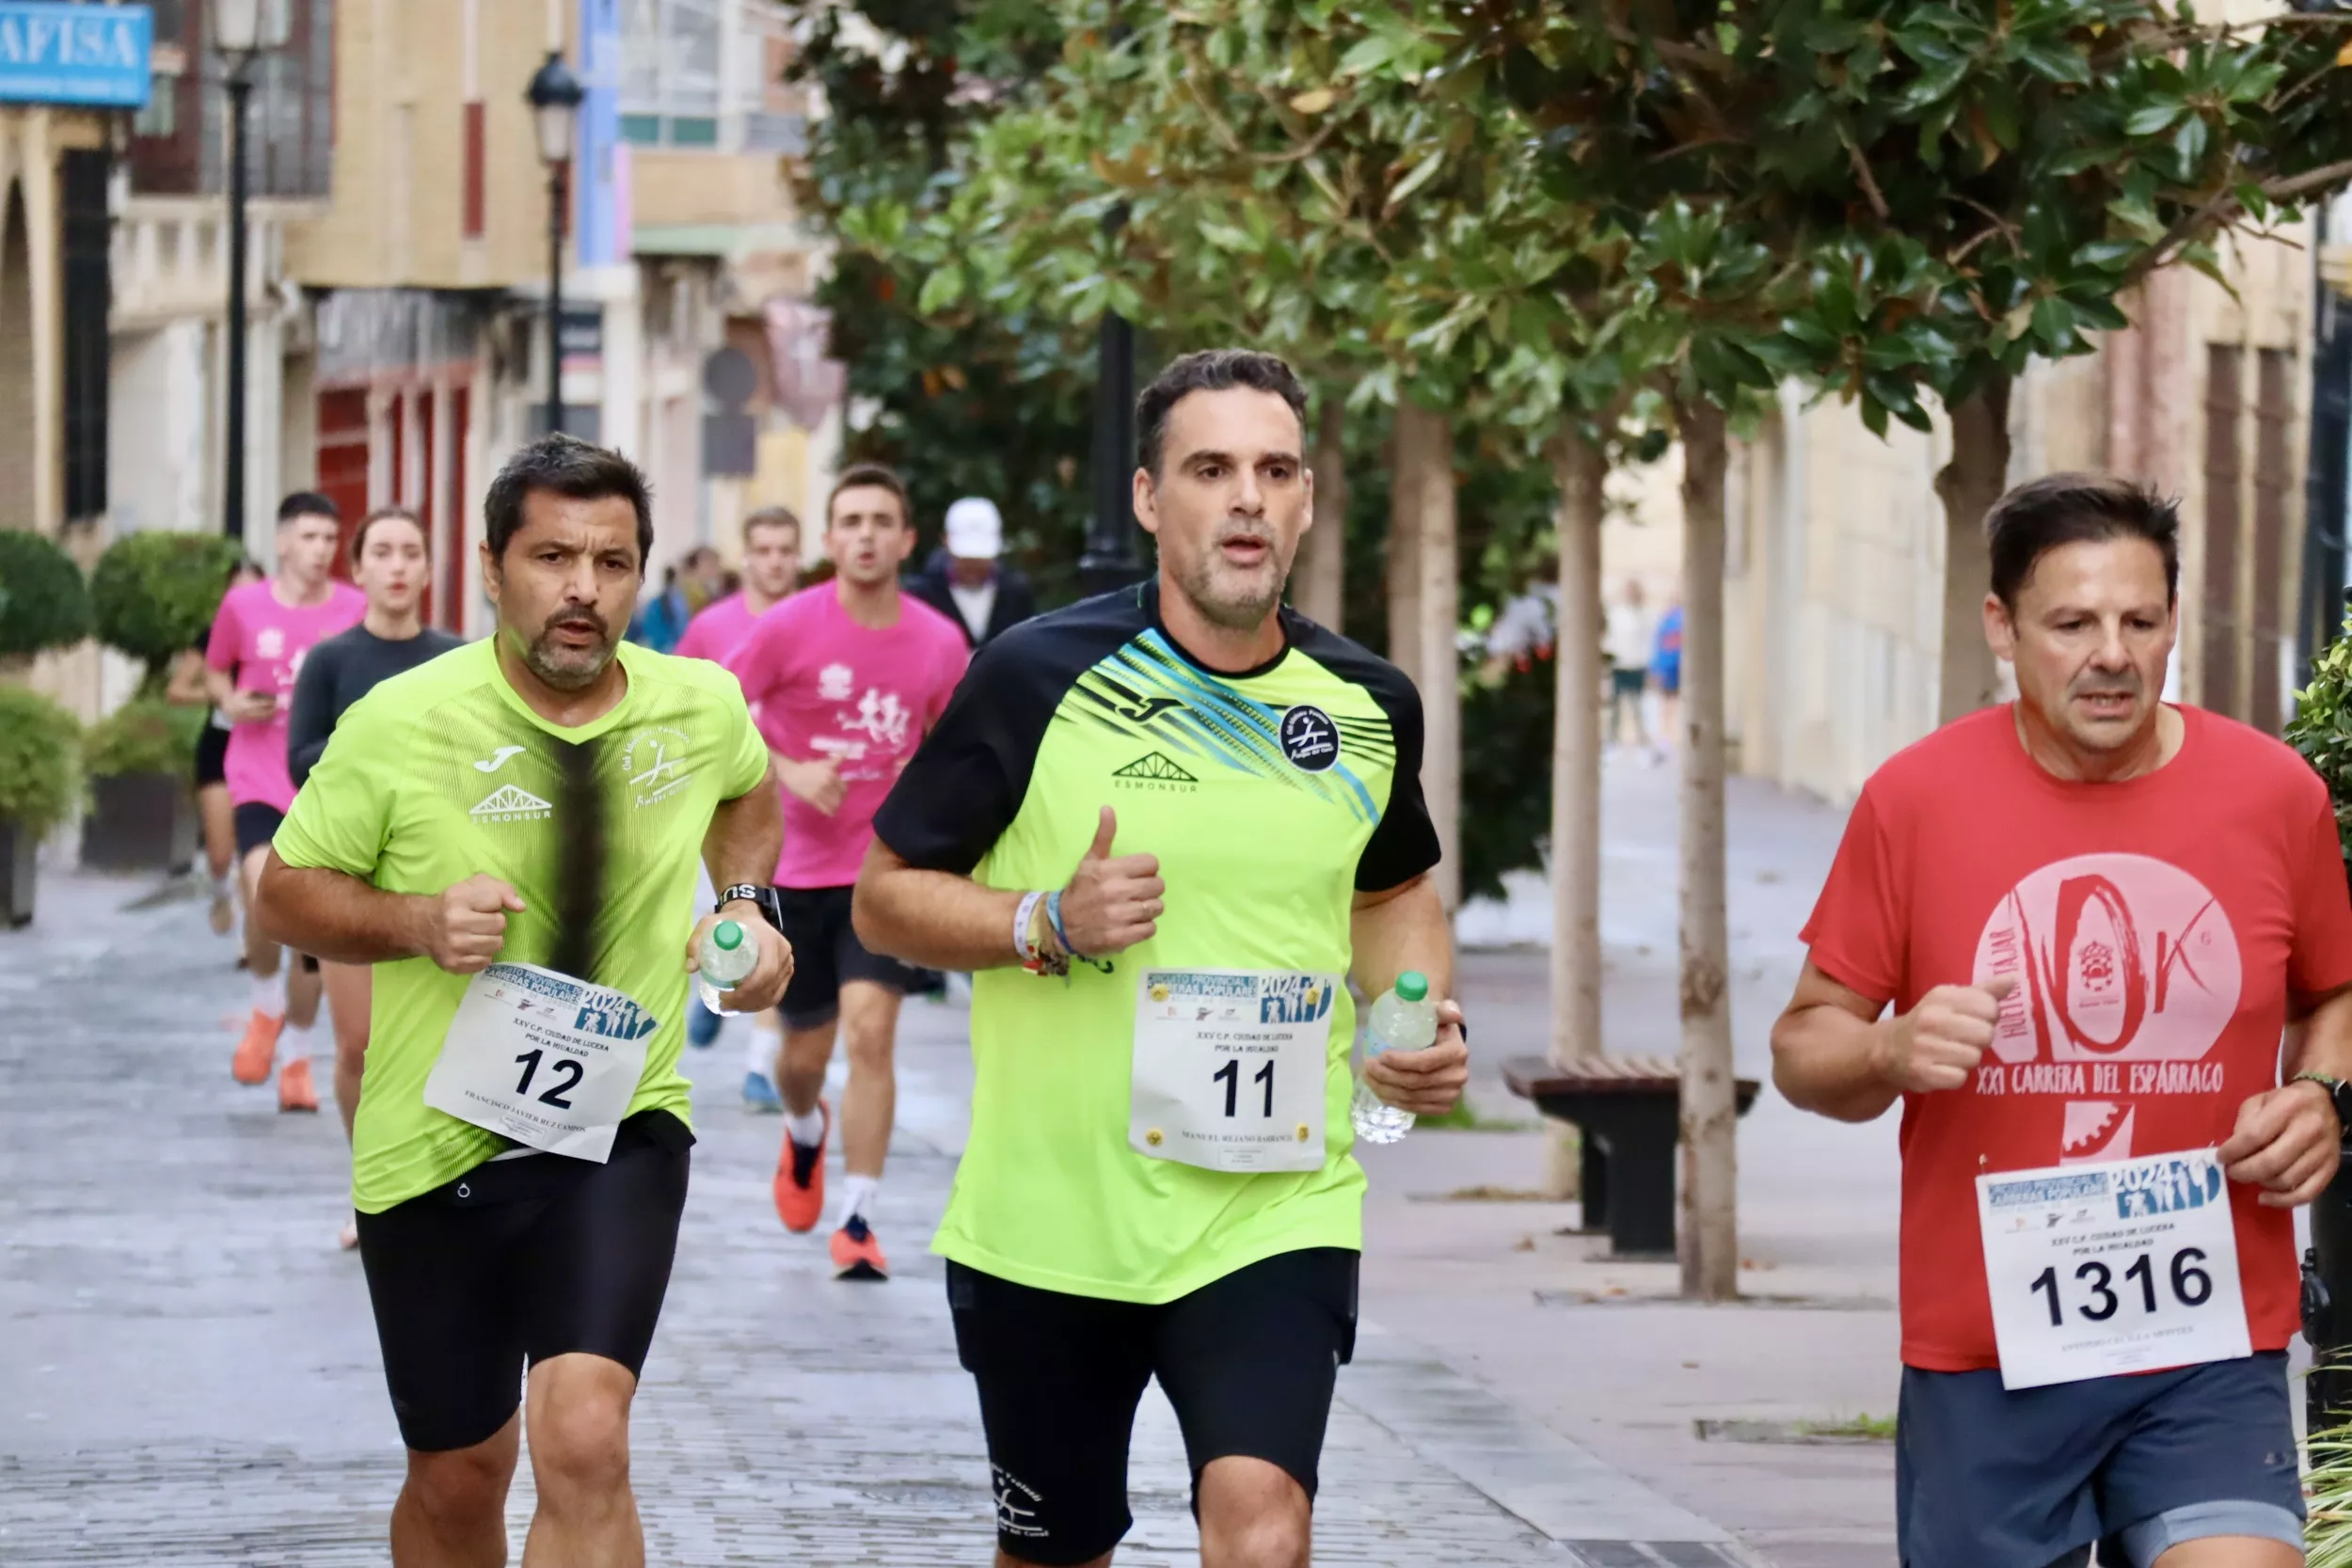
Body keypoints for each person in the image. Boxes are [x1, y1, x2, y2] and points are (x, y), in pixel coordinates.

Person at [851, 348, 1471, 1567]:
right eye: (1211, 468)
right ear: (1148, 498)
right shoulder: (1037, 676)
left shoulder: (1364, 701)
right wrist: (1042, 919)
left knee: (1264, 1525)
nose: (1247, 495)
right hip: (1052, 1220)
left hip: (1270, 1206)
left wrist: (1418, 1022)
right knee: (1055, 1549)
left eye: (1274, 469)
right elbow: (884, 899)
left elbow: (1394, 890)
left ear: (1302, 500)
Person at [1770, 473, 2352, 1568]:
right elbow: (1804, 1043)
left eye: (2140, 619)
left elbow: (2333, 988)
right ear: (2001, 625)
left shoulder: (2276, 795)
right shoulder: (1915, 799)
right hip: (1987, 1348)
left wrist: (2319, 1092)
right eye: (2072, 622)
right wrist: (1887, 1048)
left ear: (2173, 619)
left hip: (2203, 1331)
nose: (2113, 653)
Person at [251, 434, 795, 1567]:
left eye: (612, 561)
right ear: (491, 567)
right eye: (552, 557)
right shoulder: (402, 721)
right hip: (432, 1142)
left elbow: (747, 790)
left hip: (619, 1121)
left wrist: (745, 909)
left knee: (585, 1435)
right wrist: (413, 922)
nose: (583, 590)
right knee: (459, 1479)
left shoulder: (697, 703)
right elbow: (287, 893)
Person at [725, 462, 970, 1280]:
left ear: (906, 539)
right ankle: (804, 1131)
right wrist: (790, 771)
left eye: (880, 521)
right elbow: (719, 714)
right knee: (803, 1055)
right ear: (828, 541)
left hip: (883, 874)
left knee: (871, 1035)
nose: (865, 535)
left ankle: (858, 1217)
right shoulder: (790, 626)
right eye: (850, 521)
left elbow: (958, 746)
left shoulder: (938, 642)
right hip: (794, 872)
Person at [286, 507, 463, 1250]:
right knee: (359, 1044)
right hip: (348, 876)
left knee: (444, 1043)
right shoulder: (329, 661)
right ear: (356, 570)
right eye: (381, 551)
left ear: (429, 568)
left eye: (410, 552)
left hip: (440, 878)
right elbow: (299, 758)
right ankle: (374, 1189)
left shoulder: (459, 659)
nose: (396, 565)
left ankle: (444, 1181)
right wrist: (380, 757)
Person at [206, 494, 367, 1110]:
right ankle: (266, 1005)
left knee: (312, 937)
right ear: (281, 543)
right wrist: (229, 702)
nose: (321, 549)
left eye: (330, 537)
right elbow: (219, 668)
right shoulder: (243, 606)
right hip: (257, 775)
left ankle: (297, 1053)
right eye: (308, 536)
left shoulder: (354, 610)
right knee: (261, 887)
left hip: (325, 786)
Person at [675, 505, 804, 1090]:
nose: (775, 561)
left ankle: (758, 1067)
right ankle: (719, 986)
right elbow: (673, 703)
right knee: (737, 914)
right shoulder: (712, 627)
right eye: (765, 549)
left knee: (777, 927)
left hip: (801, 808)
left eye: (785, 550)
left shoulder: (813, 621)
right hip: (724, 804)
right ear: (746, 556)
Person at [168, 557, 265, 937]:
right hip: (220, 746)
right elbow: (176, 690)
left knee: (255, 848)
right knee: (222, 853)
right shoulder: (212, 638)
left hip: (263, 746)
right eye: (236, 590)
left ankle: (249, 936)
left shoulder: (278, 635)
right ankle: (222, 891)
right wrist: (217, 696)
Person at [905, 496, 1040, 648]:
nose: (973, 565)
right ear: (945, 541)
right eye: (965, 557)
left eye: (981, 557)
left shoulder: (1016, 592)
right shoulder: (922, 594)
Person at [628, 545, 724, 654]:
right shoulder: (662, 604)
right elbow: (657, 641)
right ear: (692, 568)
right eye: (711, 566)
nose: (716, 571)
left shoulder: (715, 602)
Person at [1601, 577, 1653, 758]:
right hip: (1619, 665)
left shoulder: (1644, 615)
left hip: (1637, 665)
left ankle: (1642, 744)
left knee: (1637, 706)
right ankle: (1612, 742)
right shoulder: (1617, 614)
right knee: (1615, 707)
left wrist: (1648, 666)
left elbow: (1648, 642)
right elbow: (1611, 639)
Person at [1649, 594, 1683, 757]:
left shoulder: (1676, 620)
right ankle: (1666, 736)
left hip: (1673, 666)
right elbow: (1658, 645)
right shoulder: (1667, 621)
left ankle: (1669, 735)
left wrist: (1656, 667)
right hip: (1670, 666)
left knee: (1670, 704)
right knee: (1667, 704)